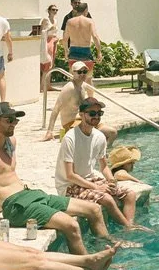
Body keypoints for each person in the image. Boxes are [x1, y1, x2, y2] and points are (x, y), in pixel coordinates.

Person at [0, 102, 129, 254]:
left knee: (94, 210)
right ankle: (89, 264)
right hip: (16, 206)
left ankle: (106, 248)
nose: (14, 123)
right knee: (71, 225)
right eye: (9, 120)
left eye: (15, 120)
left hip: (31, 194)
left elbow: (3, 178)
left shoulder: (10, 142)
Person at [55, 98, 147, 229]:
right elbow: (70, 175)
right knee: (108, 199)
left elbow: (104, 167)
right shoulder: (70, 138)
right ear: (81, 115)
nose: (96, 116)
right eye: (92, 113)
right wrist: (96, 187)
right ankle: (129, 227)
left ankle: (129, 225)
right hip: (69, 185)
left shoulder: (99, 137)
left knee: (130, 195)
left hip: (89, 179)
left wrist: (111, 181)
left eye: (99, 113)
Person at [43, 62, 117, 146]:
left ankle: (103, 154)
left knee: (112, 133)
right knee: (95, 136)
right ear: (72, 73)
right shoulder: (69, 88)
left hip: (85, 121)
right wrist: (49, 131)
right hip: (71, 124)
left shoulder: (83, 86)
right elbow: (56, 108)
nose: (82, 74)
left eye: (84, 72)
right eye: (79, 72)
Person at [63, 3, 102, 77]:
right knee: (88, 79)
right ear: (86, 10)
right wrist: (99, 52)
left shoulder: (69, 21)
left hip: (73, 51)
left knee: (73, 78)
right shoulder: (90, 21)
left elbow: (65, 39)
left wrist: (66, 51)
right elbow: (95, 36)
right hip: (86, 51)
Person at [39, 4, 59, 93]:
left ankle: (48, 85)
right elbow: (42, 31)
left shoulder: (55, 20)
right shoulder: (46, 20)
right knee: (47, 63)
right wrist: (52, 26)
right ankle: (42, 86)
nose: (55, 11)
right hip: (47, 41)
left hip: (54, 41)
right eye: (53, 9)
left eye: (56, 10)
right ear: (49, 10)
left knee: (51, 64)